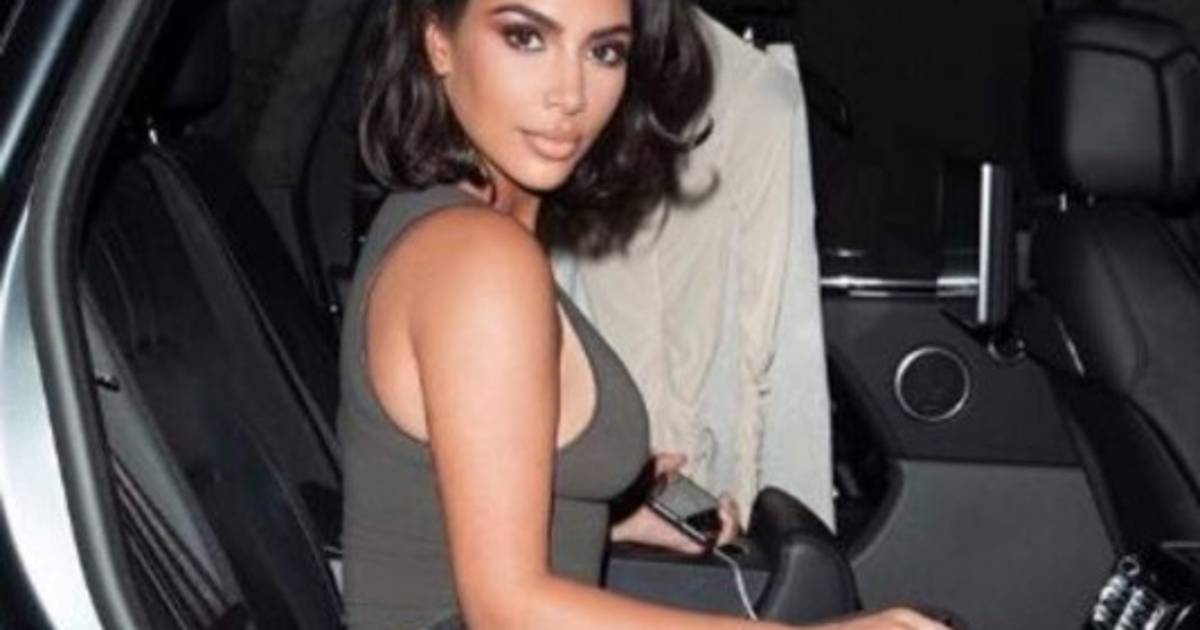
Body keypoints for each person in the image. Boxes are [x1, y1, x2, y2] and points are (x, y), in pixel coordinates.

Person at [342, 0, 951, 628]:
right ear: (438, 41)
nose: (570, 94)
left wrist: (601, 516)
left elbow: (428, 513)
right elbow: (506, 611)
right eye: (525, 38)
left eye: (604, 51)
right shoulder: (481, 261)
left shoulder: (437, 222)